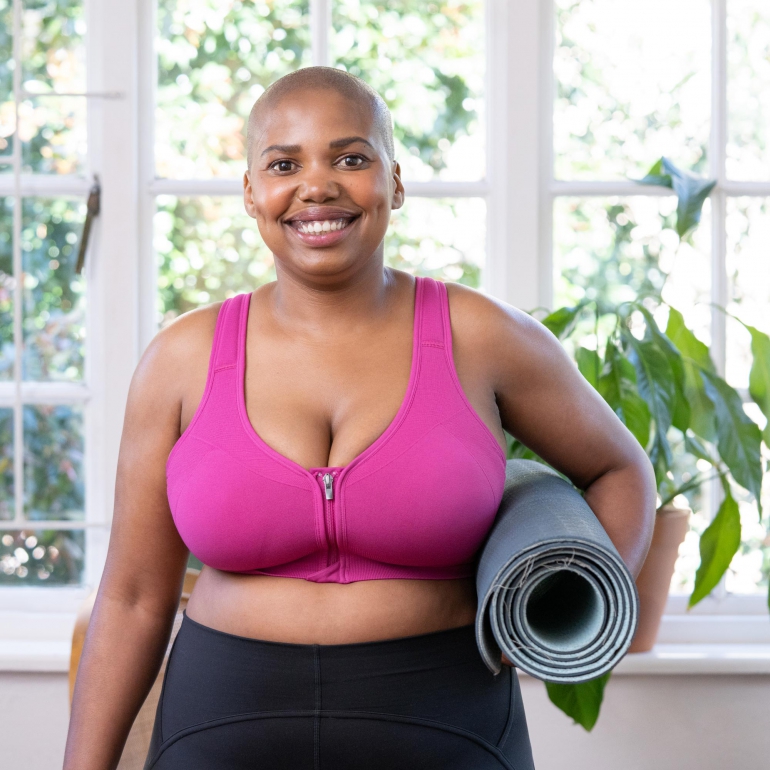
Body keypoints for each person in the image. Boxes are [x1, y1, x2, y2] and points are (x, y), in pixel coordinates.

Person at [63, 66, 656, 770]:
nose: (317, 185)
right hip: (222, 724)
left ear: (395, 182)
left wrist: (562, 622)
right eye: (285, 164)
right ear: (252, 191)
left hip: (446, 723)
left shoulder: (484, 336)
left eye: (351, 158)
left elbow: (619, 468)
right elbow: (132, 598)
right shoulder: (180, 359)